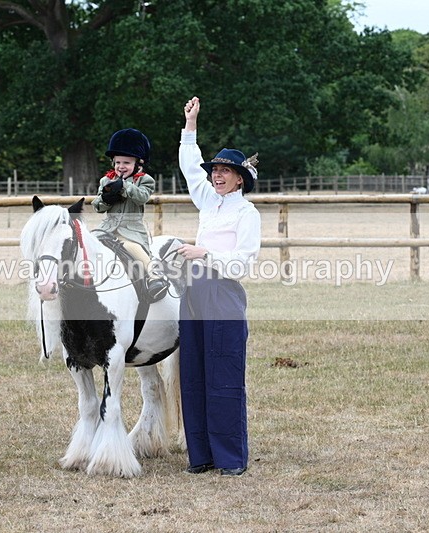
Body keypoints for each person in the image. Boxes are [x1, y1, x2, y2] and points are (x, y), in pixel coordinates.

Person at [176, 96, 262, 477]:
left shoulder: (247, 213)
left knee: (223, 374)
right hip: (193, 292)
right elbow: (190, 168)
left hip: (223, 295)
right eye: (216, 170)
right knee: (193, 374)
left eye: (225, 170)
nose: (217, 175)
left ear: (239, 178)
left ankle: (230, 459)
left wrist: (204, 253)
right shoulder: (209, 203)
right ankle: (202, 455)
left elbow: (243, 261)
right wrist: (190, 126)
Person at [91, 128, 169, 302]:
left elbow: (142, 198)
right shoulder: (106, 181)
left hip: (131, 230)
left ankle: (155, 277)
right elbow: (97, 207)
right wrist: (106, 198)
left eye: (126, 163)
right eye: (118, 162)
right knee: (87, 243)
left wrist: (125, 186)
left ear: (138, 164)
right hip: (107, 228)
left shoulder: (145, 180)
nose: (121, 167)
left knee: (132, 249)